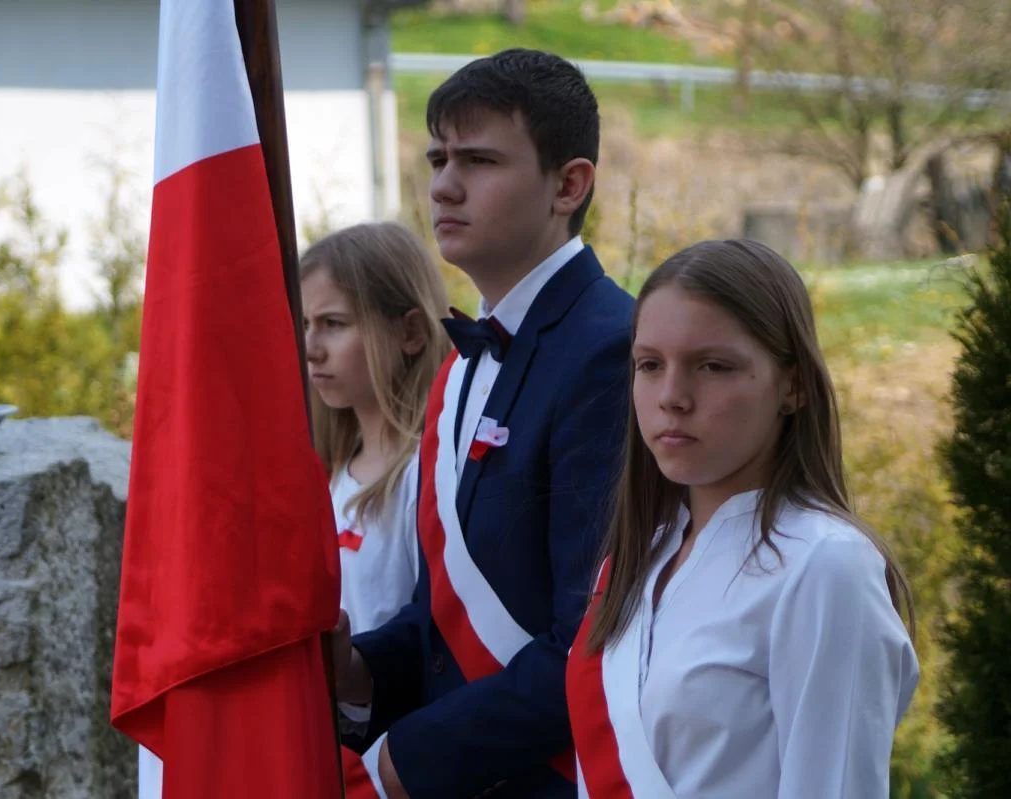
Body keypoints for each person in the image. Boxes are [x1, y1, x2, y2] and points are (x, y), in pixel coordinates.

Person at [332, 48, 636, 798]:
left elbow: (590, 637)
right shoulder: (462, 362)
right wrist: (358, 668)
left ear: (569, 184)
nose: (443, 184)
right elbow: (443, 607)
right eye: (437, 157)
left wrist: (403, 761)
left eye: (479, 159)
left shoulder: (613, 349)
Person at [566, 239, 919, 798]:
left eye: (713, 366)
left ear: (793, 384)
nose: (672, 396)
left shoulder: (824, 565)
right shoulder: (641, 557)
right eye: (650, 365)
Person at [300, 222, 451, 796]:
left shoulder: (429, 472)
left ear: (410, 330)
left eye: (334, 324)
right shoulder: (334, 472)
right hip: (333, 754)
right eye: (306, 325)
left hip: (396, 766)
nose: (312, 348)